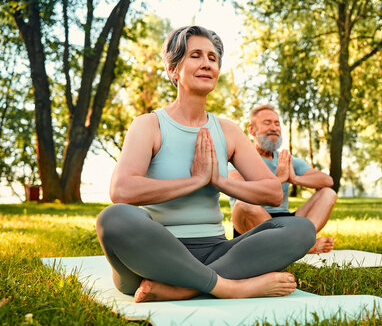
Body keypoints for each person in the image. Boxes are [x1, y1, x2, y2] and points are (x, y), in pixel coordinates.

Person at [95, 26, 316, 303]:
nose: (206, 64)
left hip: (216, 251)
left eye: (212, 58)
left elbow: (272, 192)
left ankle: (184, 288)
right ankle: (230, 288)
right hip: (154, 256)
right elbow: (122, 191)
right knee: (113, 218)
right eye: (196, 56)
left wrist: (219, 182)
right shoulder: (149, 125)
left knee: (301, 228)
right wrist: (196, 181)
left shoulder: (227, 131)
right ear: (173, 70)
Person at [228, 105, 337, 254]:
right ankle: (300, 247)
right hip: (252, 223)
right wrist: (279, 179)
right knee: (243, 204)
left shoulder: (285, 159)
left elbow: (327, 180)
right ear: (252, 130)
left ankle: (301, 242)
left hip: (286, 221)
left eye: (277, 123)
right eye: (267, 123)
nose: (274, 128)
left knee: (328, 193)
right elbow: (239, 189)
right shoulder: (238, 157)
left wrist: (294, 179)